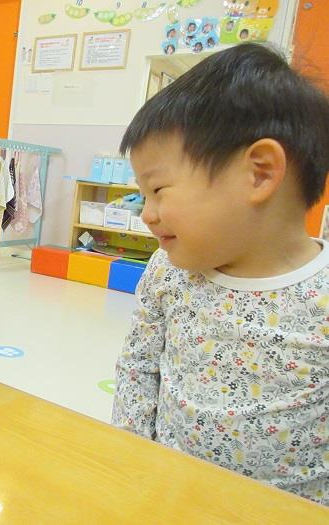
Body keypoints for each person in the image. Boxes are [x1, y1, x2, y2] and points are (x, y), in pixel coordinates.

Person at [112, 43, 329, 505]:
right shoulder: (168, 272)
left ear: (259, 173)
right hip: (166, 497)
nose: (147, 214)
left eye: (158, 189)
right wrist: (128, 460)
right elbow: (138, 367)